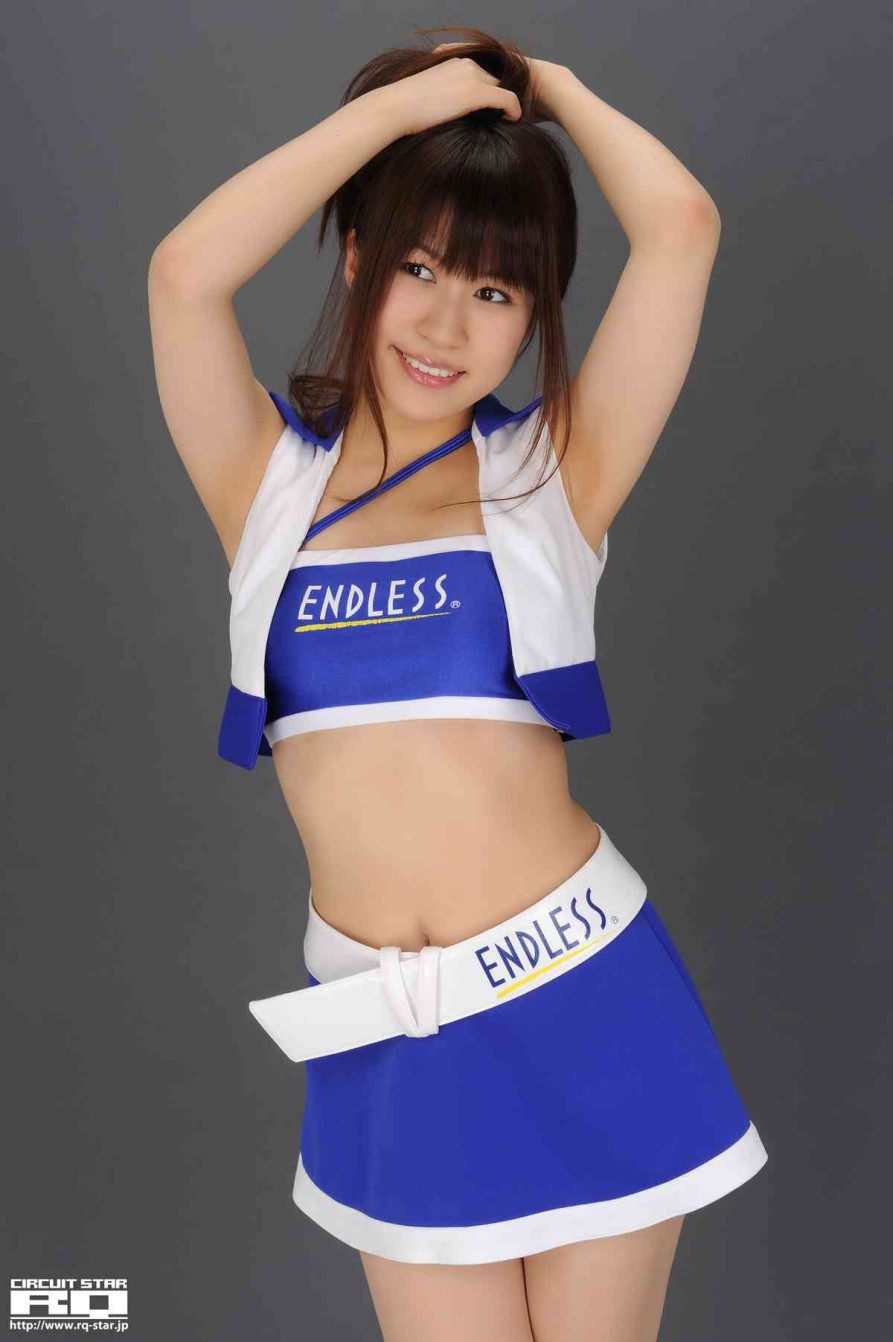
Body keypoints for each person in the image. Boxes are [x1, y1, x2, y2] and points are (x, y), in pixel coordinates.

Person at [148, 26, 768, 1342]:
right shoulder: (266, 484)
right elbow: (184, 275)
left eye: (495, 290)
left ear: (534, 316)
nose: (444, 324)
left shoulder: (552, 477)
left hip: (584, 1000)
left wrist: (544, 89)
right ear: (357, 258)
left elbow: (681, 227)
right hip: (388, 1039)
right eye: (417, 266)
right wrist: (391, 119)